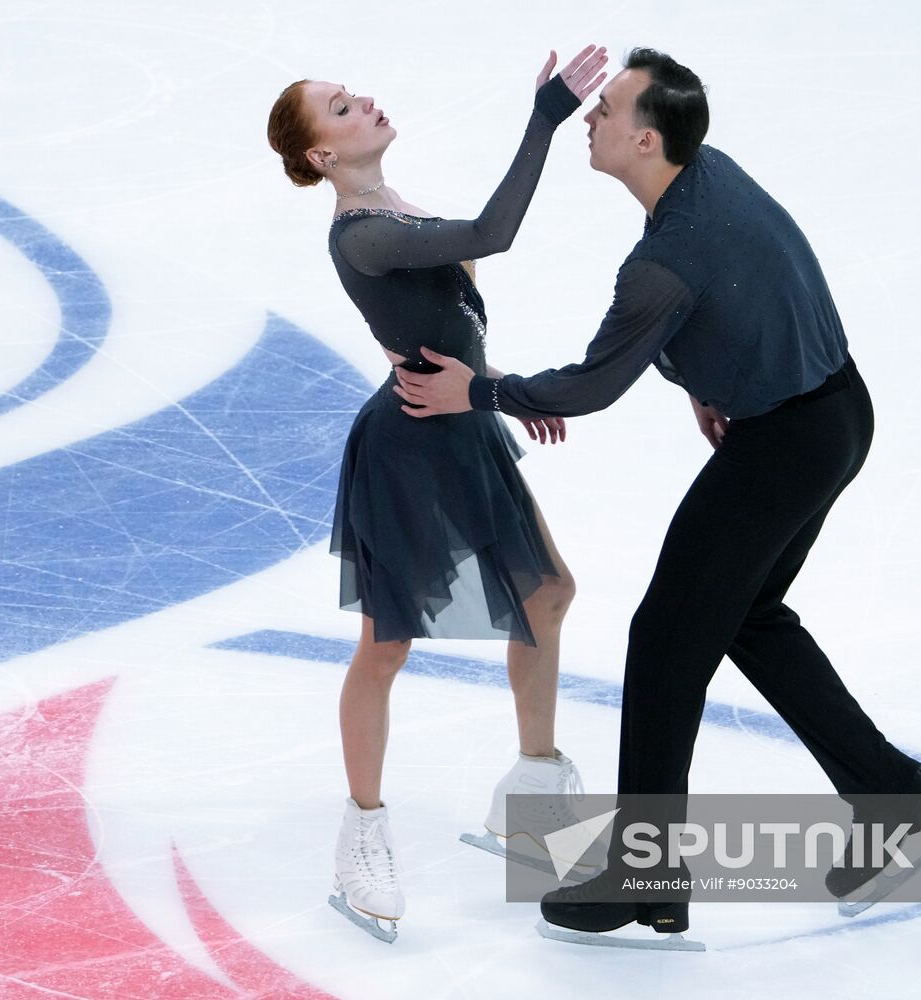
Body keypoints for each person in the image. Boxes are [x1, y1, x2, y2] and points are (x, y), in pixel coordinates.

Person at [391, 47, 921, 945]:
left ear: (646, 139)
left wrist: (482, 391)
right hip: (837, 412)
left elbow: (588, 387)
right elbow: (751, 289)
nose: (593, 118)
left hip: (784, 445)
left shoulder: (662, 265)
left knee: (665, 635)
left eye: (607, 109)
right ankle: (894, 799)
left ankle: (645, 869)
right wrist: (706, 377)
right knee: (747, 615)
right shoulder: (709, 178)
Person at [265, 45, 608, 942]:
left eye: (351, 93)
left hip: (457, 418)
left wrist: (498, 389)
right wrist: (545, 117)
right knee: (387, 645)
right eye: (339, 108)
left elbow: (444, 316)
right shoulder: (363, 232)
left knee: (548, 592)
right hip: (408, 446)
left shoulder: (389, 206)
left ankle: (532, 793)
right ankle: (362, 836)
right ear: (320, 158)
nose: (362, 102)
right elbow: (492, 233)